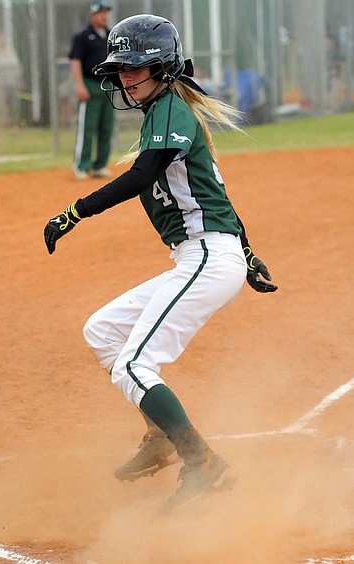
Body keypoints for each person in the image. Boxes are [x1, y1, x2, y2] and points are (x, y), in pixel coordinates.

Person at [44, 14, 278, 506]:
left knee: (134, 364)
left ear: (163, 68)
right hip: (205, 256)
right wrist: (250, 253)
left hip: (208, 258)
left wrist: (75, 212)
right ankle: (159, 435)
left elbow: (142, 174)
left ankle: (202, 460)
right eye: (121, 69)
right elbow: (216, 194)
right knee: (102, 330)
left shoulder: (170, 108)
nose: (125, 77)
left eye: (136, 67)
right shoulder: (163, 113)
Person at [68, 1, 115, 180]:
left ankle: (100, 165)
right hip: (90, 84)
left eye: (106, 12)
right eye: (101, 13)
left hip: (108, 85)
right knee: (87, 128)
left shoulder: (110, 35)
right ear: (92, 15)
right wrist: (79, 85)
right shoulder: (83, 35)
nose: (104, 16)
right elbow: (75, 61)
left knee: (106, 127)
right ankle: (81, 165)